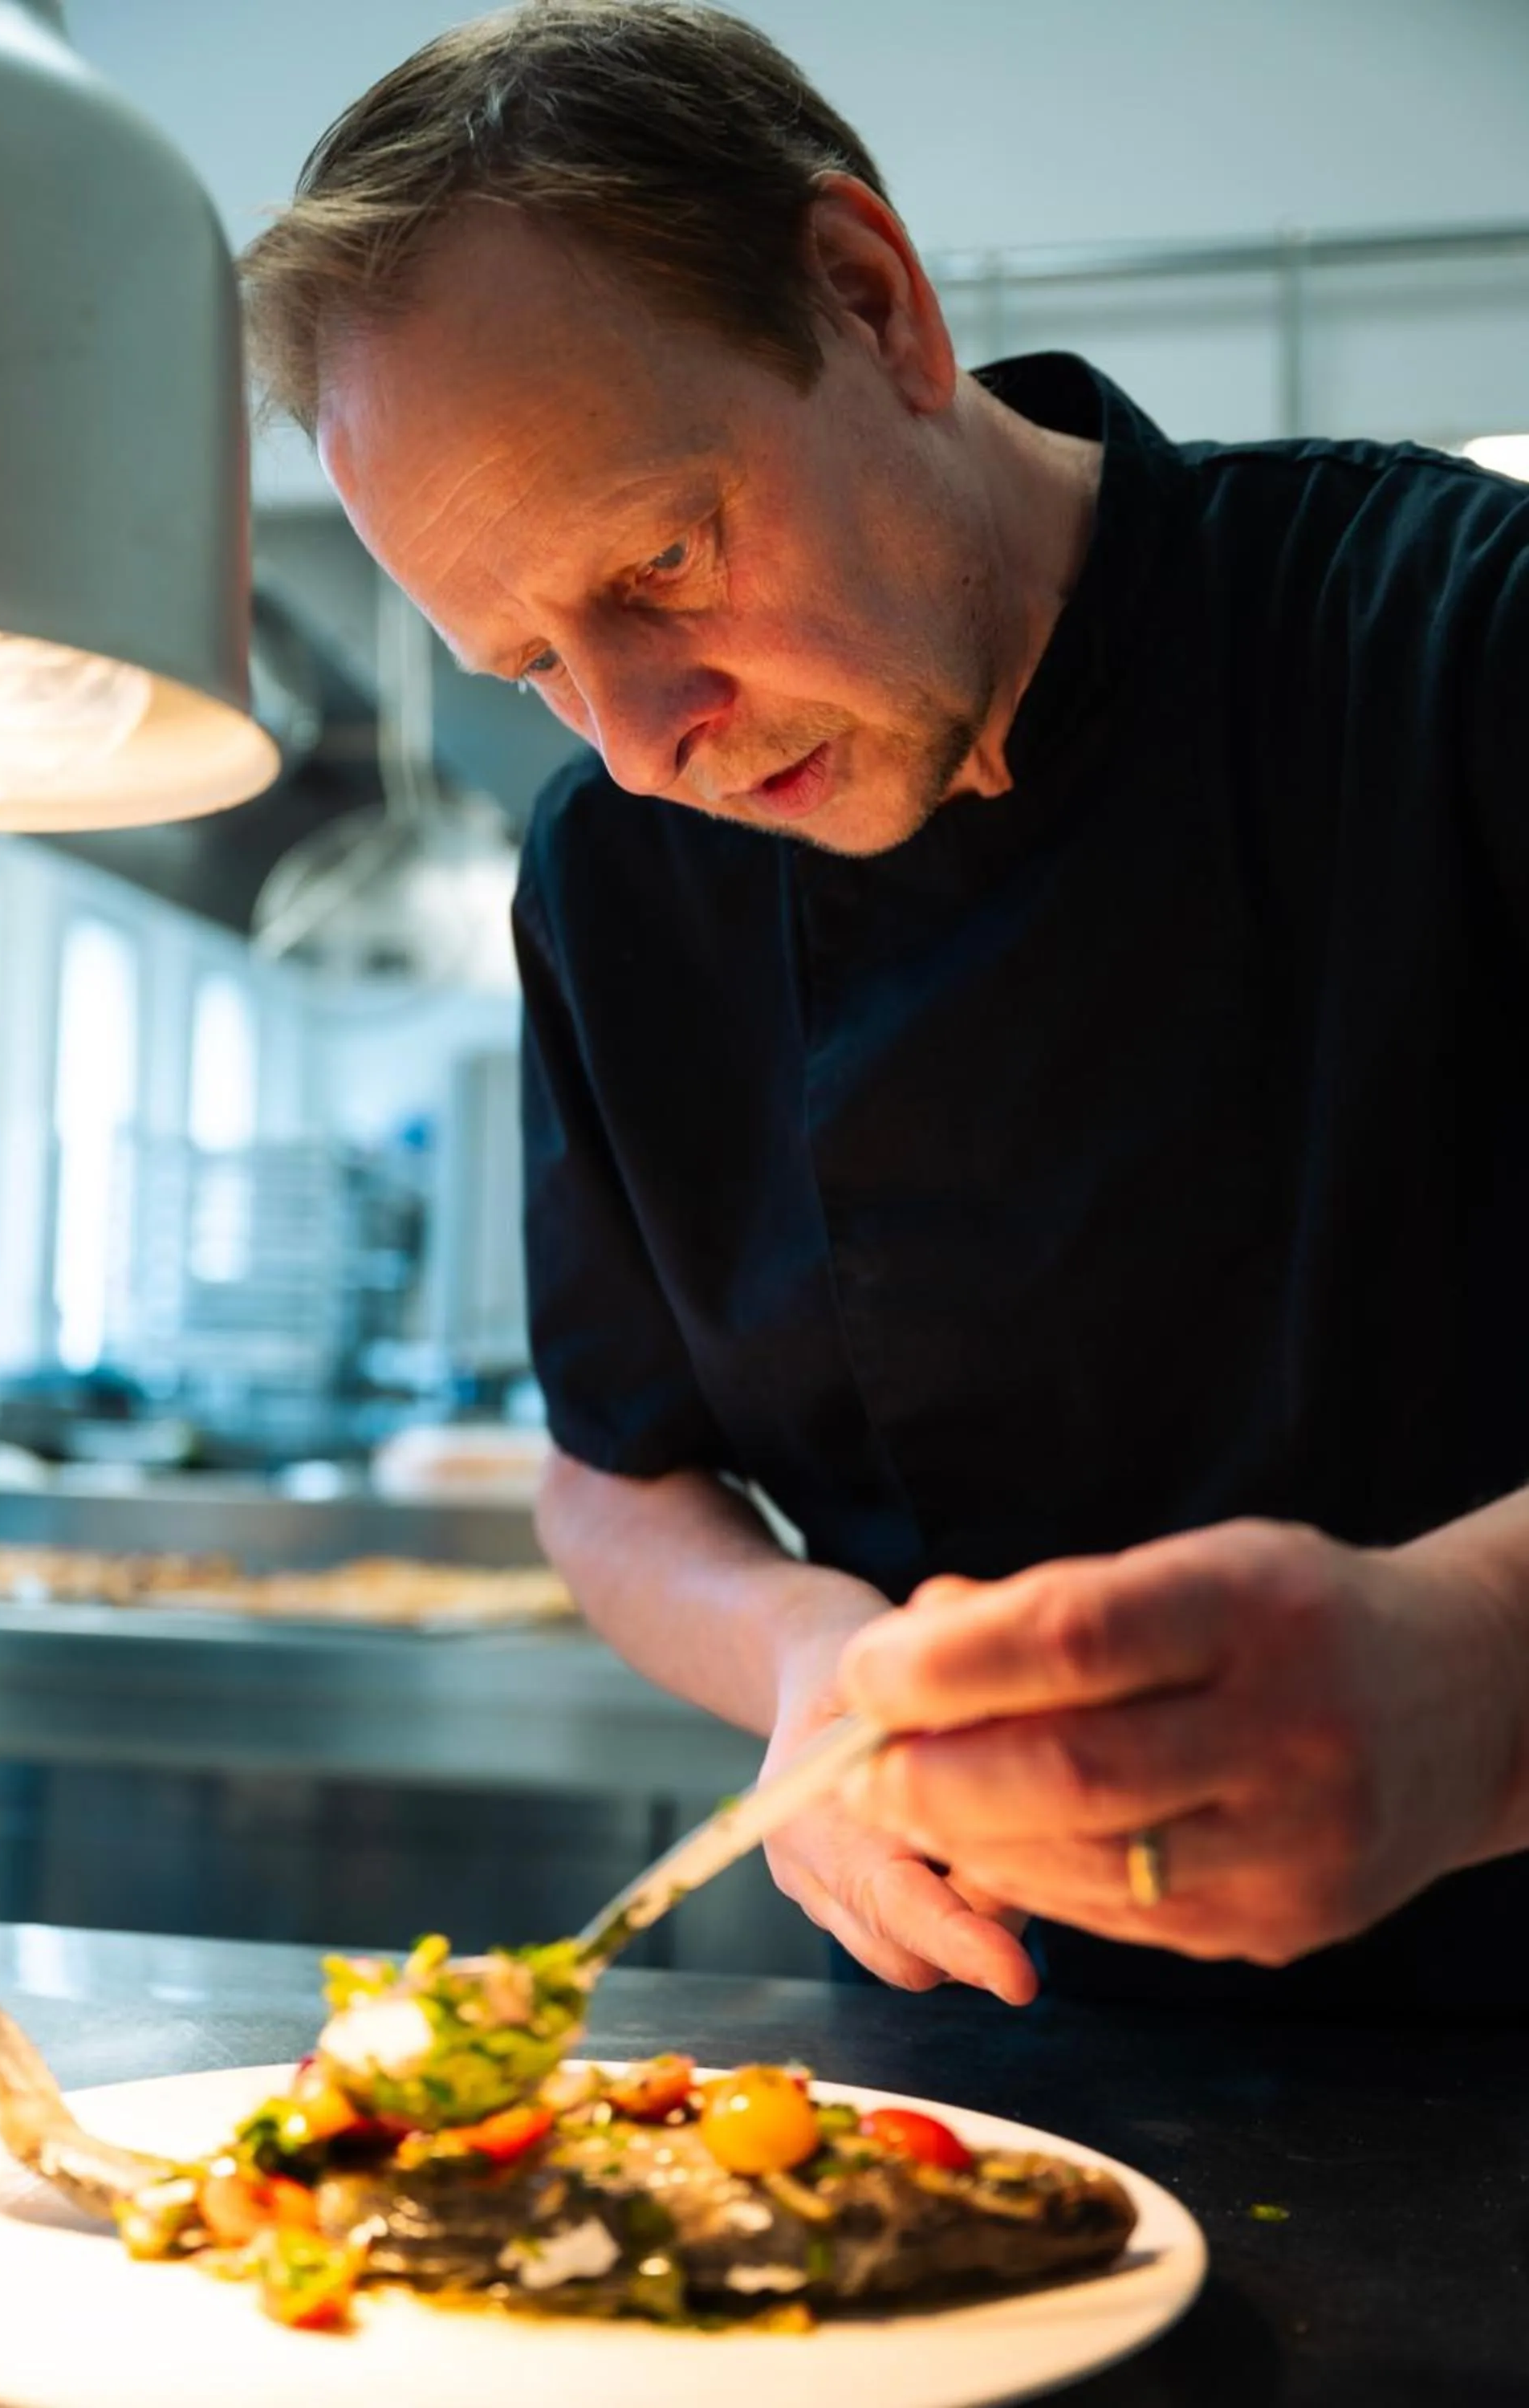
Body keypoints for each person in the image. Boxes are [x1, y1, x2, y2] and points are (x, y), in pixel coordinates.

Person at [240, 1, 1529, 2011]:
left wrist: (1473, 1680)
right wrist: (795, 1646)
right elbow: (611, 1478)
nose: (639, 741)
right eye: (532, 667)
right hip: (969, 2046)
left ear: (869, 302)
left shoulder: (1459, 639)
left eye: (661, 563)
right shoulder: (612, 874)